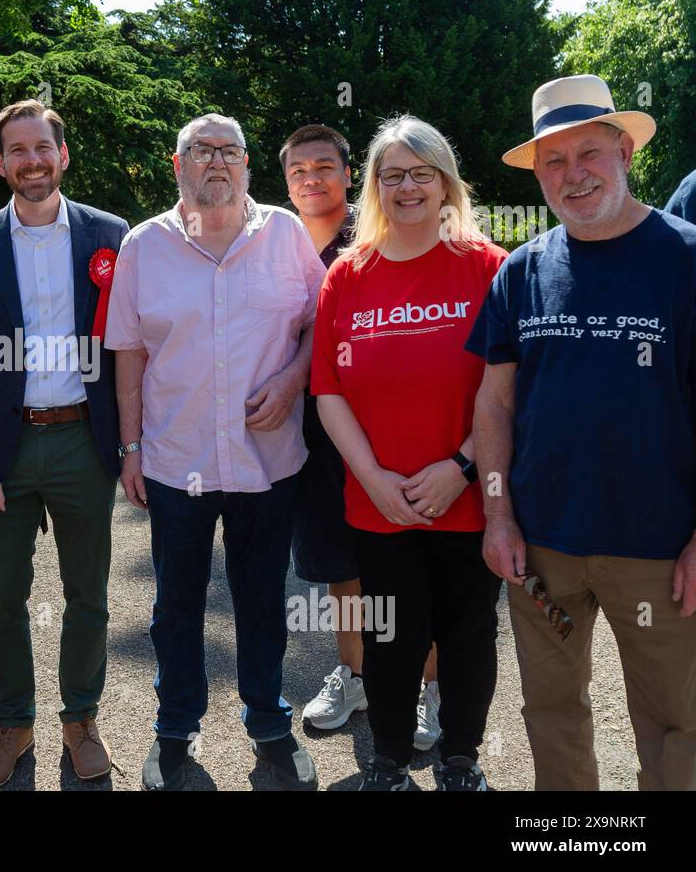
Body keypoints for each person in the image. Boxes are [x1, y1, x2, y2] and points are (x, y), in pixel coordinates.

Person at [470, 74, 696, 791]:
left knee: (676, 722)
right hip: (544, 552)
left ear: (625, 150)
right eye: (553, 163)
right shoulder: (520, 271)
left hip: (660, 553)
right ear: (538, 175)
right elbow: (495, 405)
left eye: (588, 153)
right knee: (551, 710)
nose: (573, 175)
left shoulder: (687, 259)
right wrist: (498, 514)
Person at [106, 113, 326, 791]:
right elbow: (129, 352)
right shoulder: (144, 245)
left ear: (248, 167)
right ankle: (174, 731)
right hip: (178, 462)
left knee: (261, 600)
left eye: (229, 151)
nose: (216, 162)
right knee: (176, 605)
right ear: (179, 166)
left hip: (268, 463)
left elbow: (322, 320)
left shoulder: (286, 234)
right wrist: (132, 446)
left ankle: (268, 724)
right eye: (201, 151)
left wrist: (294, 379)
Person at [0, 99, 128, 789]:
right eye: (17, 150)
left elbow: (130, 347)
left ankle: (80, 718)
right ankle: (14, 722)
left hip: (83, 440)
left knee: (90, 595)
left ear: (63, 154)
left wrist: (130, 449)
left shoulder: (111, 235)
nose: (32, 161)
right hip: (1, 451)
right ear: (0, 163)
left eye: (42, 147)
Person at [311, 115, 507, 791]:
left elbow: (506, 388)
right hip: (378, 506)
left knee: (467, 635)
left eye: (421, 173)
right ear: (374, 187)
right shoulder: (348, 274)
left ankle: (460, 759)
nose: (407, 187)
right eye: (391, 175)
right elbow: (327, 390)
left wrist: (459, 467)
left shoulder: (489, 268)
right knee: (389, 640)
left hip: (468, 499)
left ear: (445, 180)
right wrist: (373, 480)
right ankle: (388, 762)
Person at [282, 124, 443, 748]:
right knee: (339, 570)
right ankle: (355, 674)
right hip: (316, 441)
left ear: (351, 175)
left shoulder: (378, 233)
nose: (311, 178)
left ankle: (430, 686)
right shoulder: (277, 241)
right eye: (298, 170)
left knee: (414, 565)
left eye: (325, 166)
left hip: (393, 434)